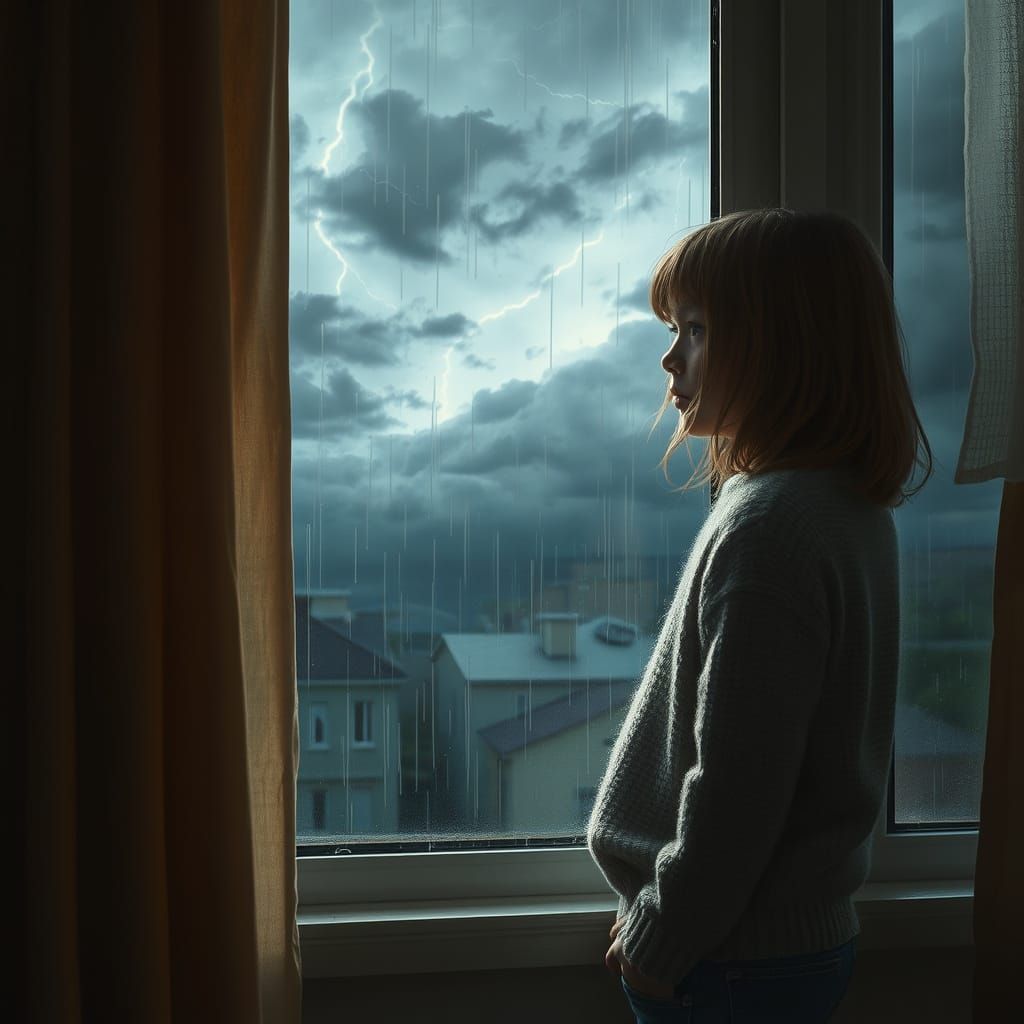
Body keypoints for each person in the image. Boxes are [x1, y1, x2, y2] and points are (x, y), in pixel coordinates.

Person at [586, 208, 933, 1023]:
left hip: (733, 960)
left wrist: (661, 937)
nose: (670, 357)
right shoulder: (840, 508)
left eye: (697, 329)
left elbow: (736, 791)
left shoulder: (772, 526)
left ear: (783, 348)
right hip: (775, 950)